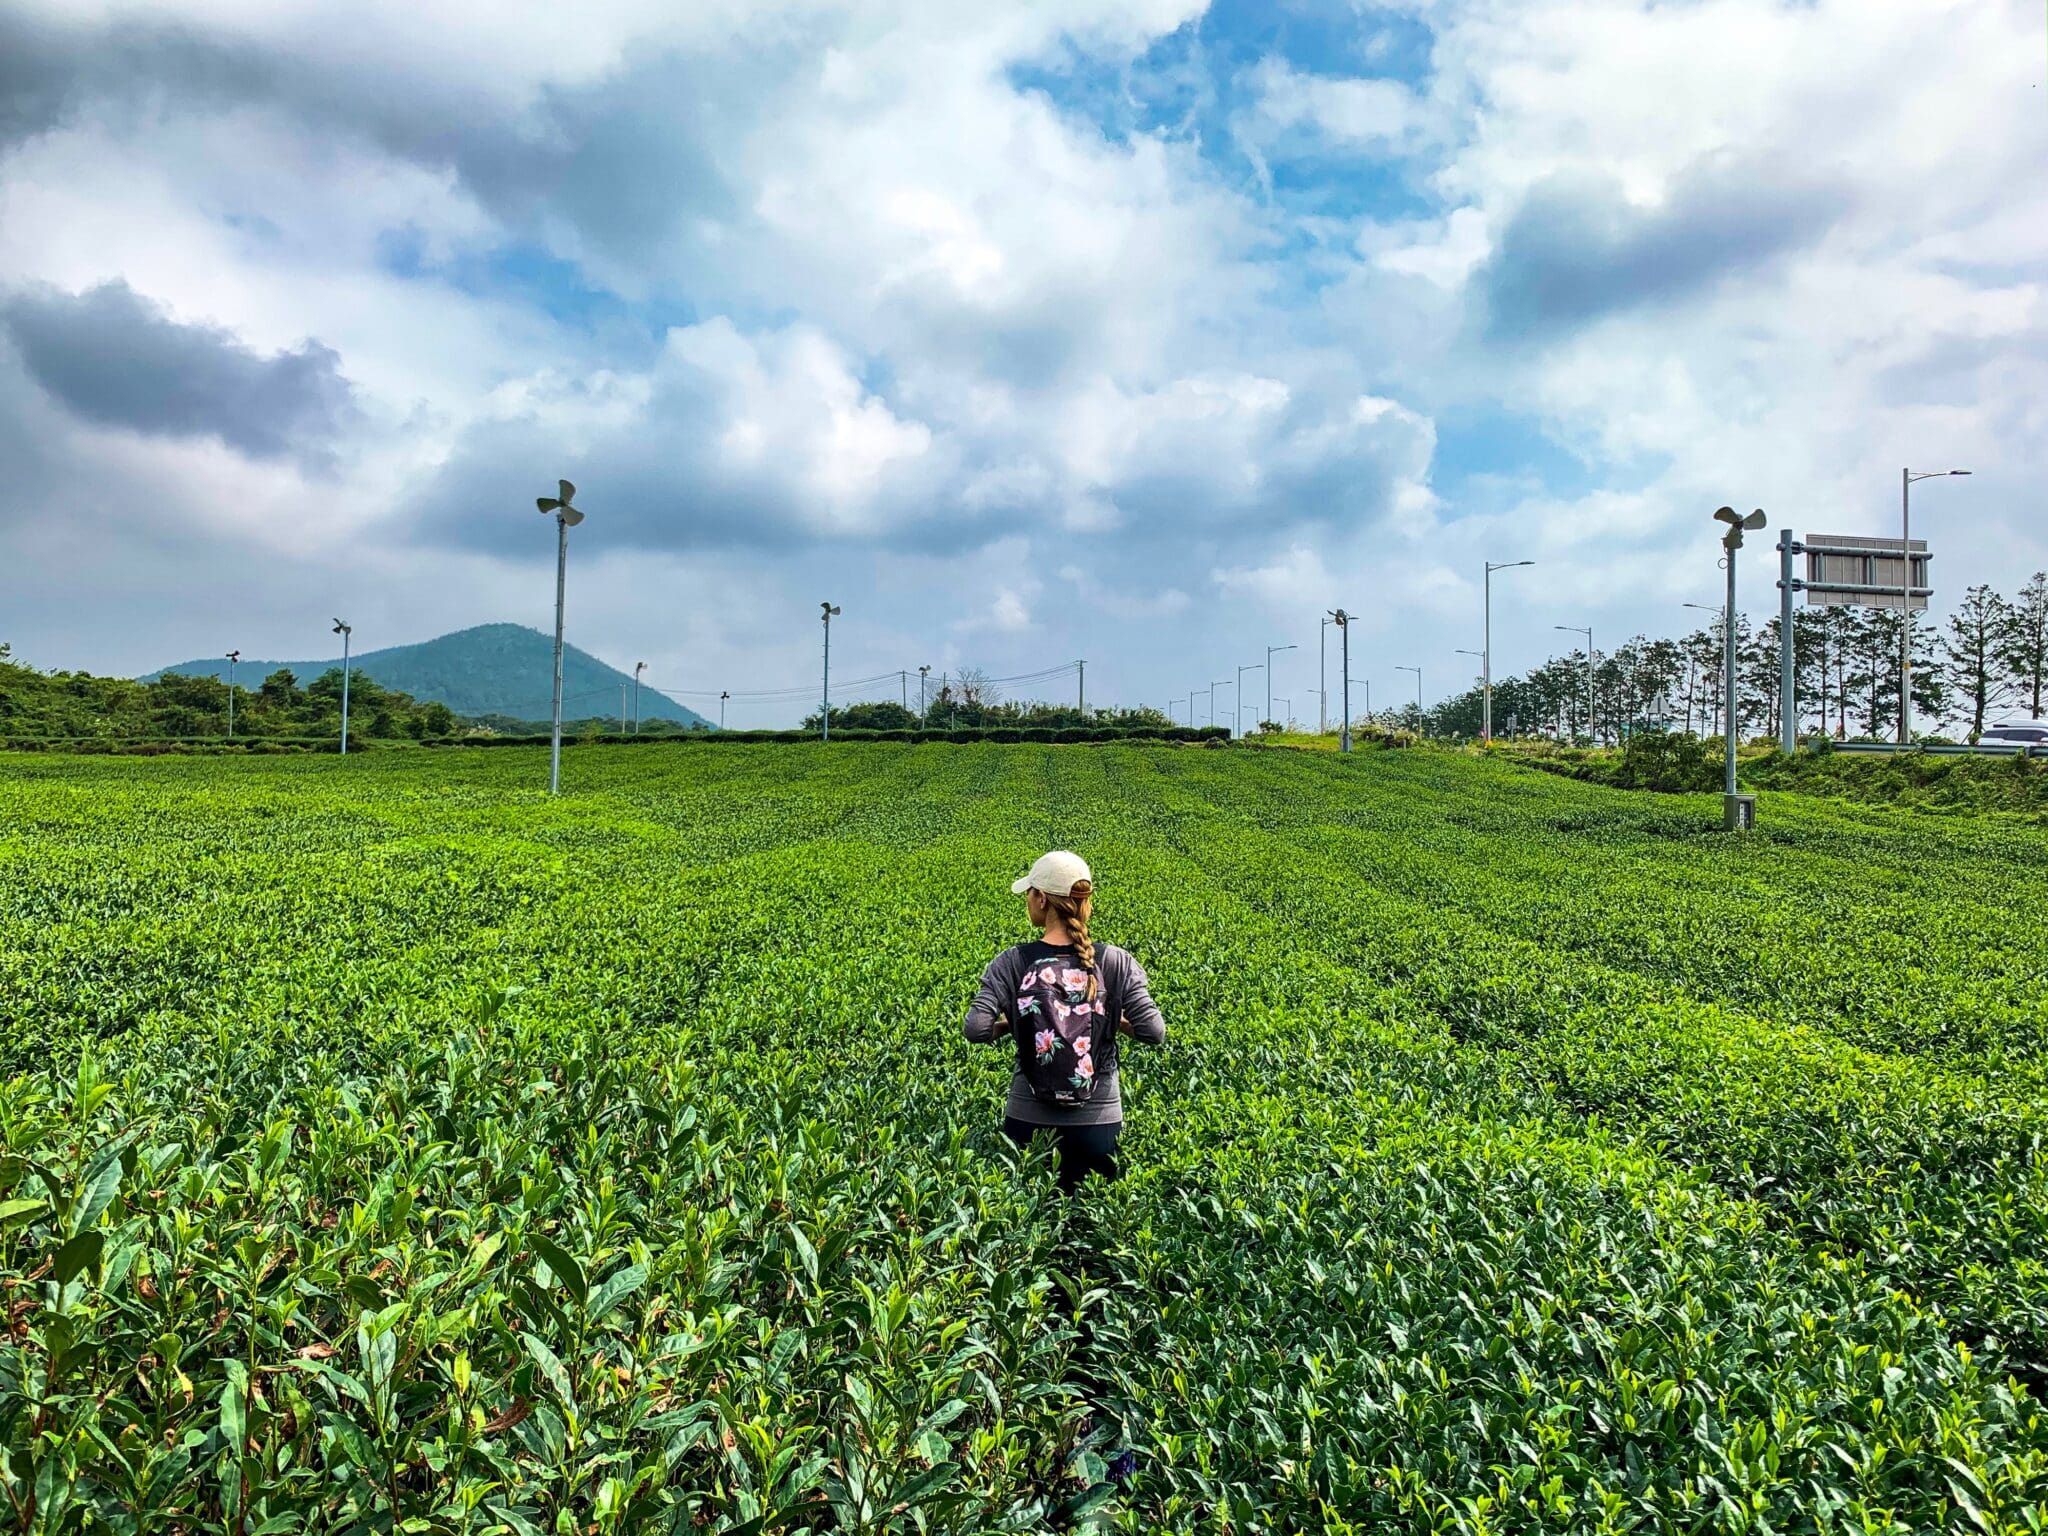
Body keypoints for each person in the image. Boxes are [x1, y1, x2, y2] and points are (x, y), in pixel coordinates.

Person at [963, 850, 1166, 1192]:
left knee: (1028, 1230)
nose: (1027, 900)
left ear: (1041, 899)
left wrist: (1020, 1020)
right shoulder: (1115, 961)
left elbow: (976, 1028)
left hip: (1028, 1121)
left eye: (1029, 893)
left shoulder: (1012, 961)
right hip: (1098, 1124)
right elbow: (1153, 1031)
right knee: (1091, 1228)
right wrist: (1105, 1016)